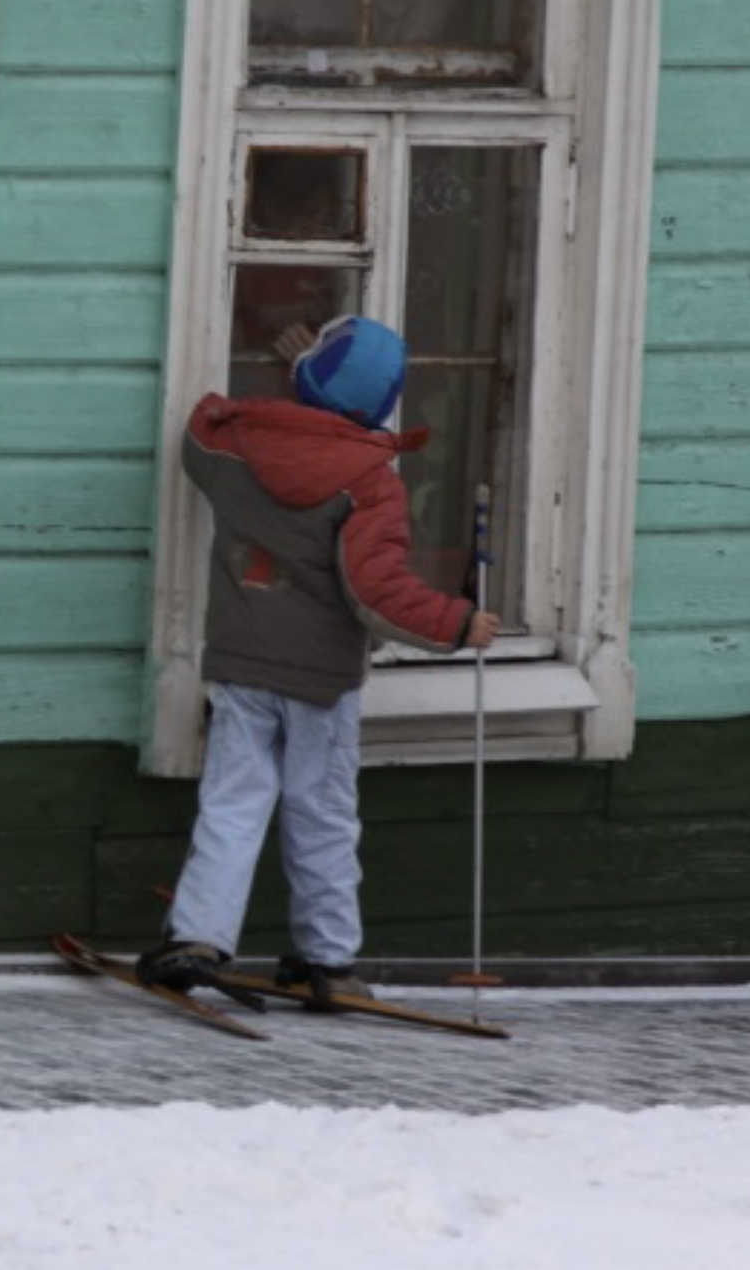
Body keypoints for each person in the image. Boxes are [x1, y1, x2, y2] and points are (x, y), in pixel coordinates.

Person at [138, 315, 500, 1009]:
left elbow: (200, 427)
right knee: (323, 815)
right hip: (321, 684)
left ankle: (199, 939)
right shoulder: (371, 483)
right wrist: (456, 622)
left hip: (244, 666)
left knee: (231, 805)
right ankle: (326, 961)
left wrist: (286, 385)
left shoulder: (235, 451)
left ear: (307, 381)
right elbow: (376, 591)